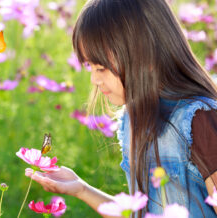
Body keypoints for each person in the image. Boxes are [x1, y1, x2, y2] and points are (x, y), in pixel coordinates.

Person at [25, 0, 217, 217]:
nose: (95, 79)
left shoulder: (199, 119)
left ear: (146, 56)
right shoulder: (133, 120)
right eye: (90, 66)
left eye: (101, 68)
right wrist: (81, 189)